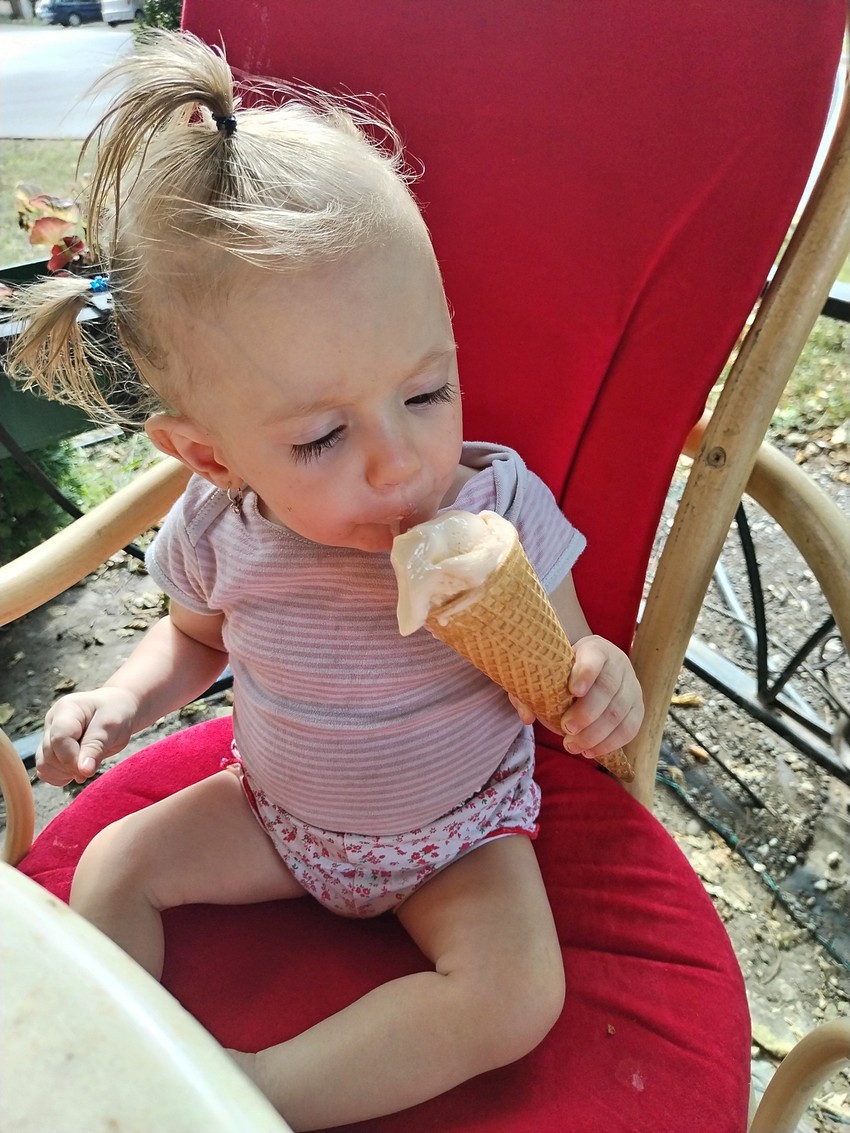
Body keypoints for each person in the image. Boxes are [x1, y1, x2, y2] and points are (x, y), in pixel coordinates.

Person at [8, 31, 644, 1132]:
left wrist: (600, 685)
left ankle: (246, 1094)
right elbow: (194, 640)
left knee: (515, 993)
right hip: (275, 815)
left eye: (426, 391)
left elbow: (568, 663)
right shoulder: (222, 525)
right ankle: (114, 1078)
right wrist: (120, 698)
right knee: (114, 866)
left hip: (459, 835)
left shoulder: (497, 506)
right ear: (210, 455)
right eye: (319, 438)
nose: (400, 464)